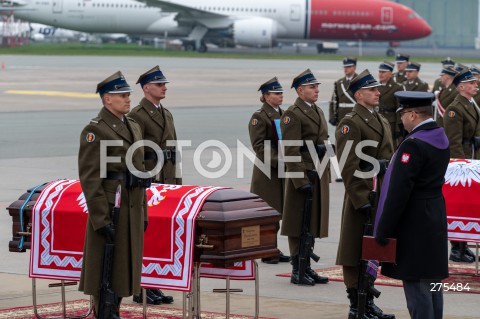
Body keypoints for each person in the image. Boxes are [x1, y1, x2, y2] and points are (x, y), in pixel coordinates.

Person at [78, 71, 148, 318]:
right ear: (107, 99)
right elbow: (90, 177)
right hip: (111, 208)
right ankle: (104, 311)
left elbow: (139, 172)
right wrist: (101, 218)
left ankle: (114, 309)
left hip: (133, 205)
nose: (128, 99)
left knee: (124, 266)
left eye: (128, 94)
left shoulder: (134, 126)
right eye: (122, 95)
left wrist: (144, 209)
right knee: (104, 267)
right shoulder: (95, 130)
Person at [375, 91, 450, 319]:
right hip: (434, 215)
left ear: (413, 114)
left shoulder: (414, 145)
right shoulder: (440, 136)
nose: (401, 119)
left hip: (415, 223)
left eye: (404, 114)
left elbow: (398, 194)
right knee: (433, 285)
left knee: (417, 289)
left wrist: (383, 231)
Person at [335, 69, 395, 319]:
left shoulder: (378, 118)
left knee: (372, 249)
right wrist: (362, 199)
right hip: (362, 196)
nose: (378, 93)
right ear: (359, 95)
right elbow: (349, 166)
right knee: (355, 250)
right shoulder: (351, 122)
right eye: (372, 90)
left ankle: (368, 298)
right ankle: (356, 303)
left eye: (377, 89)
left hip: (379, 191)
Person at [128, 65, 177, 305]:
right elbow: (136, 151)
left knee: (158, 236)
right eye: (159, 84)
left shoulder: (166, 113)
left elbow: (173, 150)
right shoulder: (138, 114)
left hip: (165, 180)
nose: (164, 87)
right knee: (144, 235)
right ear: (147, 88)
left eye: (164, 84)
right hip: (149, 180)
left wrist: (176, 183)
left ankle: (153, 284)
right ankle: (141, 287)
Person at [280, 69, 330, 286]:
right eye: (312, 87)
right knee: (298, 222)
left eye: (317, 86)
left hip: (317, 172)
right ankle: (297, 268)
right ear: (300, 91)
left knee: (310, 222)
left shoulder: (316, 110)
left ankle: (306, 266)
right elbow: (290, 151)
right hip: (302, 176)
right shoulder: (293, 114)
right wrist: (300, 182)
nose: (316, 90)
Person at [248, 77, 290, 264]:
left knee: (279, 210)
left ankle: (271, 247)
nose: (280, 96)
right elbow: (259, 146)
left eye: (281, 93)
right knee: (268, 212)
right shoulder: (259, 117)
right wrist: (279, 160)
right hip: (268, 171)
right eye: (276, 93)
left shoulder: (285, 114)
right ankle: (266, 250)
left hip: (283, 168)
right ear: (266, 96)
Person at [443, 66, 480, 263]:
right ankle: (456, 248)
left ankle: (464, 245)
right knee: (459, 206)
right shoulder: (454, 109)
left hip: (472, 158)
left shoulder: (470, 104)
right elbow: (453, 141)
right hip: (462, 164)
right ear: (462, 86)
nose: (476, 85)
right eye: (472, 83)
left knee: (470, 206)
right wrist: (460, 165)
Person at [377, 61, 405, 148]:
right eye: (380, 72)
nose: (380, 74)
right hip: (377, 120)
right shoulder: (375, 86)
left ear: (390, 74)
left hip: (391, 123)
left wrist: (398, 127)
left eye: (383, 72)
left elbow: (400, 109)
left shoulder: (397, 87)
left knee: (391, 146)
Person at [329, 57, 358, 126]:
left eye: (348, 66)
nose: (345, 69)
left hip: (355, 116)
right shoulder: (339, 82)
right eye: (344, 67)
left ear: (354, 67)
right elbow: (333, 101)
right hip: (341, 117)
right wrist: (332, 116)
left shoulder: (359, 81)